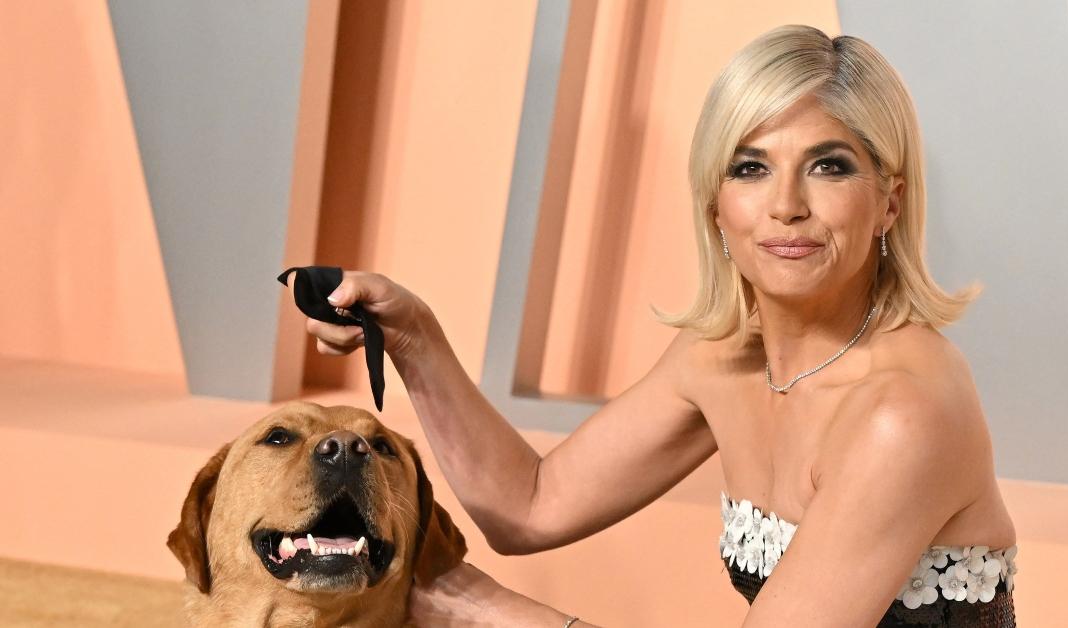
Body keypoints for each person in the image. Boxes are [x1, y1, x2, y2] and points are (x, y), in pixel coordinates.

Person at [306, 24, 1019, 627]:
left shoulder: (904, 417)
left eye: (828, 166)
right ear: (716, 204)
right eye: (750, 168)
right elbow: (529, 506)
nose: (786, 206)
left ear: (889, 202)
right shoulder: (723, 358)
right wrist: (412, 334)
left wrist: (484, 608)